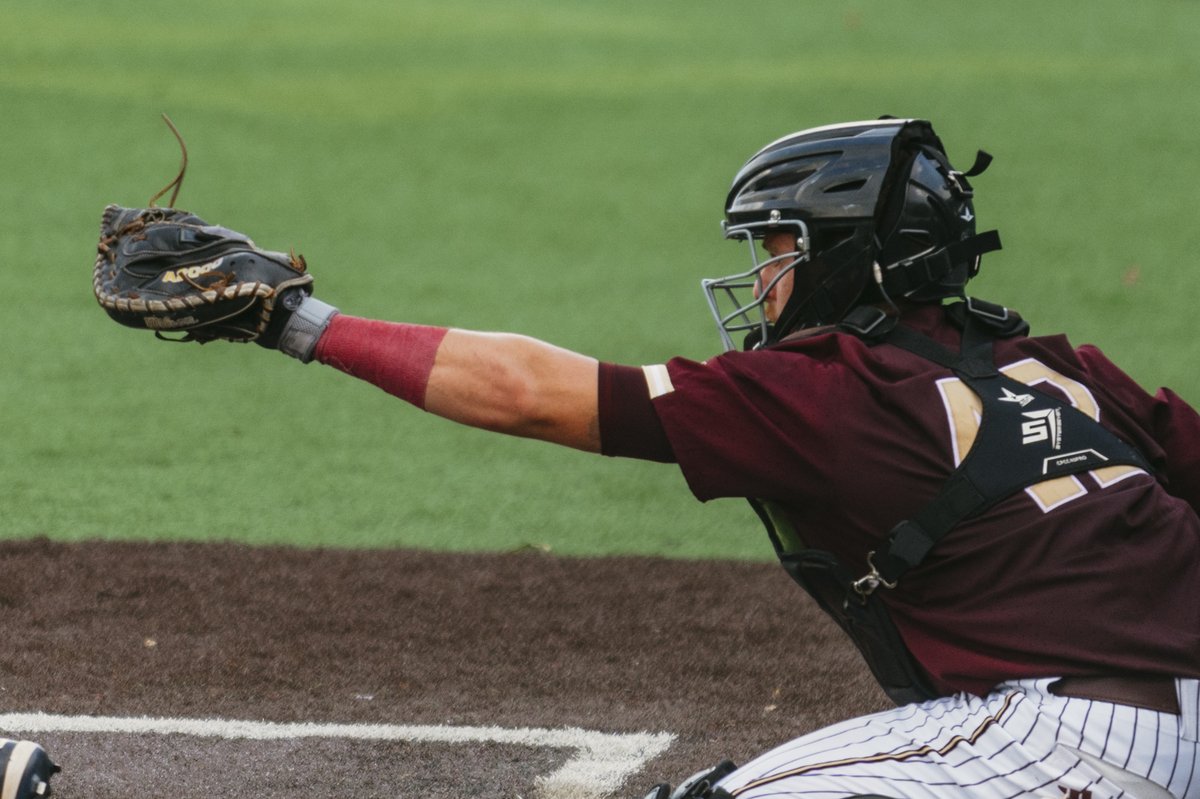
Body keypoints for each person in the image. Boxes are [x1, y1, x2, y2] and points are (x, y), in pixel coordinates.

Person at [169, 118, 1200, 798]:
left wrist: (296, 321)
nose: (763, 277)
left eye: (779, 250)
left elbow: (533, 392)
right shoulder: (1060, 368)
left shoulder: (825, 392)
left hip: (1073, 737)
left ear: (848, 257)